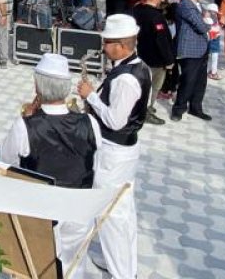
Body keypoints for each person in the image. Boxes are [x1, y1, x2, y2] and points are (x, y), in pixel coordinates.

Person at [0, 53, 101, 276]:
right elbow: (95, 159)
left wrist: (28, 120)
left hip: (42, 209)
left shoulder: (25, 126)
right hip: (79, 206)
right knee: (75, 262)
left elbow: (6, 159)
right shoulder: (90, 122)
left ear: (38, 86)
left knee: (40, 264)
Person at [77, 14, 149, 278]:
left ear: (120, 45)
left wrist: (91, 96)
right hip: (124, 152)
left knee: (110, 216)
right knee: (122, 211)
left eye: (107, 43)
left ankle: (122, 272)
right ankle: (121, 264)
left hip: (114, 153)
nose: (104, 48)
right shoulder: (137, 67)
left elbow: (115, 121)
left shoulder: (126, 79)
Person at [130, 0, 173, 126]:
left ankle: (141, 107)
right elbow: (161, 40)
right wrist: (168, 60)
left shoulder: (136, 10)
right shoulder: (156, 16)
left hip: (138, 55)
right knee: (153, 87)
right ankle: (145, 111)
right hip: (154, 59)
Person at [171, 0, 212, 121]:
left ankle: (196, 107)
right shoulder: (186, 5)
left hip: (201, 47)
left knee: (200, 81)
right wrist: (208, 23)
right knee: (188, 80)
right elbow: (201, 26)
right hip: (190, 48)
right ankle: (178, 109)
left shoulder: (196, 4)